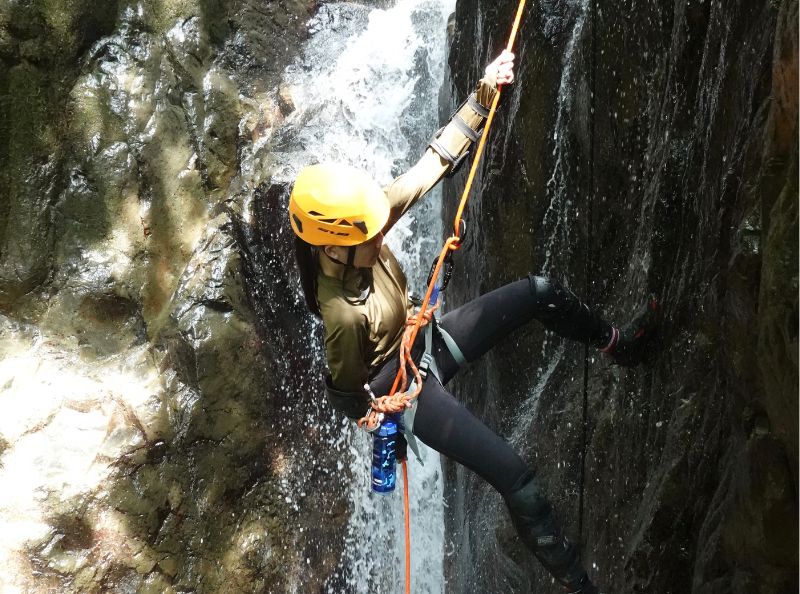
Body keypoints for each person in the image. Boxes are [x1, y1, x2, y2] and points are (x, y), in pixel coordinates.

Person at [288, 50, 657, 594]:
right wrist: (381, 417)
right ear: (335, 246)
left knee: (538, 293)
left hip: (425, 342)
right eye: (367, 237)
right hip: (404, 391)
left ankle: (617, 345)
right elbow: (346, 395)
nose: (378, 235)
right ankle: (582, 586)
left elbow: (431, 165)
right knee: (516, 477)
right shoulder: (342, 315)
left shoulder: (363, 222)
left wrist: (483, 96)